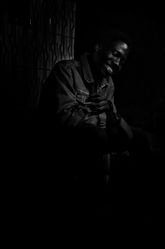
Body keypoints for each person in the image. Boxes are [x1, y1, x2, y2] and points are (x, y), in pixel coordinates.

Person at [35, 28, 153, 224]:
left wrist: (111, 113)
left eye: (122, 60)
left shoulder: (108, 83)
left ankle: (139, 210)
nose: (118, 63)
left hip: (98, 137)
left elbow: (111, 119)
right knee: (97, 137)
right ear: (99, 48)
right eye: (115, 54)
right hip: (64, 142)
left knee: (141, 140)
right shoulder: (67, 71)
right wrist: (98, 119)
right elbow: (62, 118)